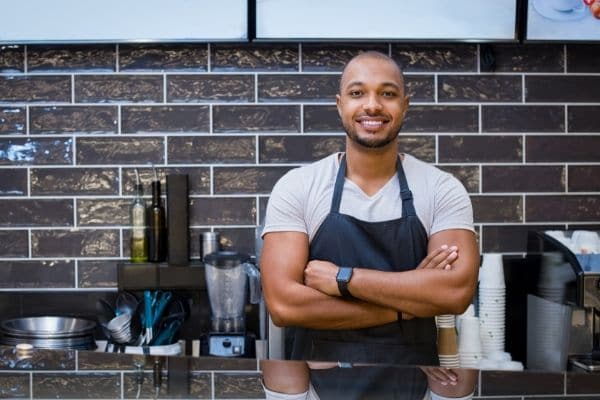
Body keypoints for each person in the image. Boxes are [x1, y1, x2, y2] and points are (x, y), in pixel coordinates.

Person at [260, 51, 479, 367]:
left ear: (405, 105)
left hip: (412, 385)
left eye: (388, 94)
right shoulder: (299, 187)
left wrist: (343, 279)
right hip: (321, 388)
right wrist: (407, 305)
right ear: (340, 105)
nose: (373, 105)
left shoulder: (441, 189)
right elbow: (283, 306)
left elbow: (455, 293)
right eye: (357, 93)